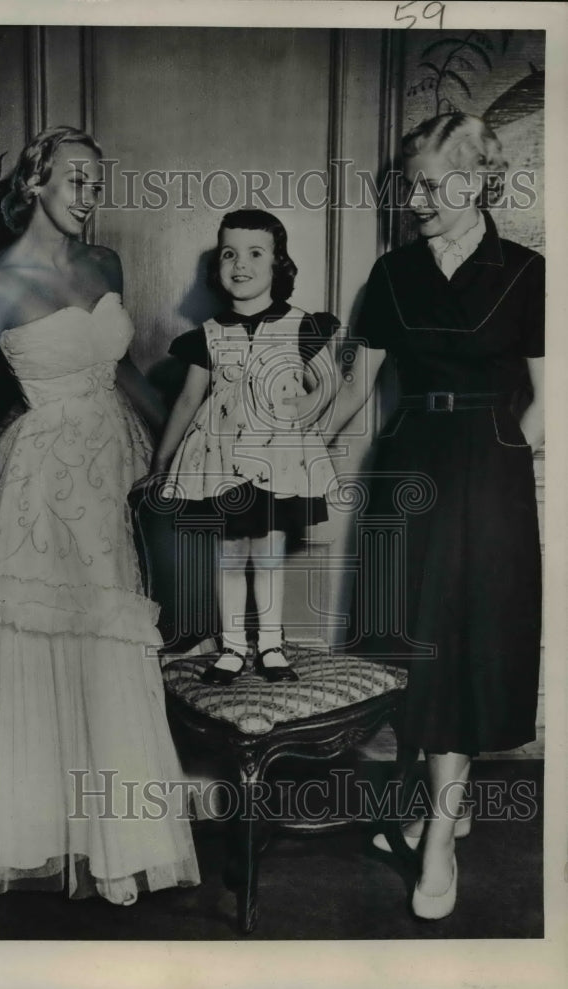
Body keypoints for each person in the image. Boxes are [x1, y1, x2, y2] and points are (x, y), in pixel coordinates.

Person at [0, 126, 200, 909]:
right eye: (75, 180)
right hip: (34, 477)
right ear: (35, 182)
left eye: (96, 184)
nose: (88, 196)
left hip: (111, 467)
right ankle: (28, 835)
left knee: (108, 640)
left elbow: (124, 372)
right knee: (40, 641)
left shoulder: (104, 264)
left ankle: (119, 842)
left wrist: (177, 441)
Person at [325, 113, 544, 919]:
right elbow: (355, 394)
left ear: (478, 177)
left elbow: (549, 403)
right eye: (408, 183)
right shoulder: (391, 274)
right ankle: (443, 804)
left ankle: (441, 843)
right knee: (408, 647)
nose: (414, 198)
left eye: (430, 182)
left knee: (464, 651)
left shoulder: (528, 273)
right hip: (406, 469)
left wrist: (493, 471)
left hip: (488, 477)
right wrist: (282, 448)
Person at [150, 209, 340, 685]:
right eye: (229, 254)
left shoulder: (302, 326)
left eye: (256, 253)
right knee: (229, 554)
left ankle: (271, 645)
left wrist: (304, 418)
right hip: (220, 462)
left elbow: (331, 384)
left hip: (277, 461)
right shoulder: (210, 335)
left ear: (279, 264)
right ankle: (234, 647)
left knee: (269, 552)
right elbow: (190, 399)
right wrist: (163, 457)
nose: (241, 264)